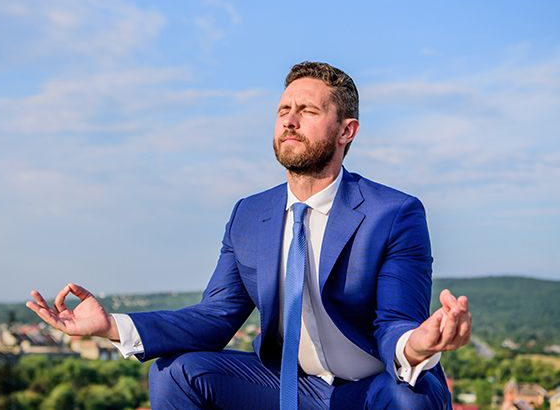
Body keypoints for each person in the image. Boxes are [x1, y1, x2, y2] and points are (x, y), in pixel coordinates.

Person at [27, 61, 471, 409]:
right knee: (175, 372)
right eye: (284, 110)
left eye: (309, 111)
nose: (290, 120)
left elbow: (395, 322)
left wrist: (417, 347)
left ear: (346, 131)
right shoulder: (249, 214)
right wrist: (111, 326)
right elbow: (215, 317)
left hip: (372, 390)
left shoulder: (393, 213)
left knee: (405, 397)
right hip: (289, 390)